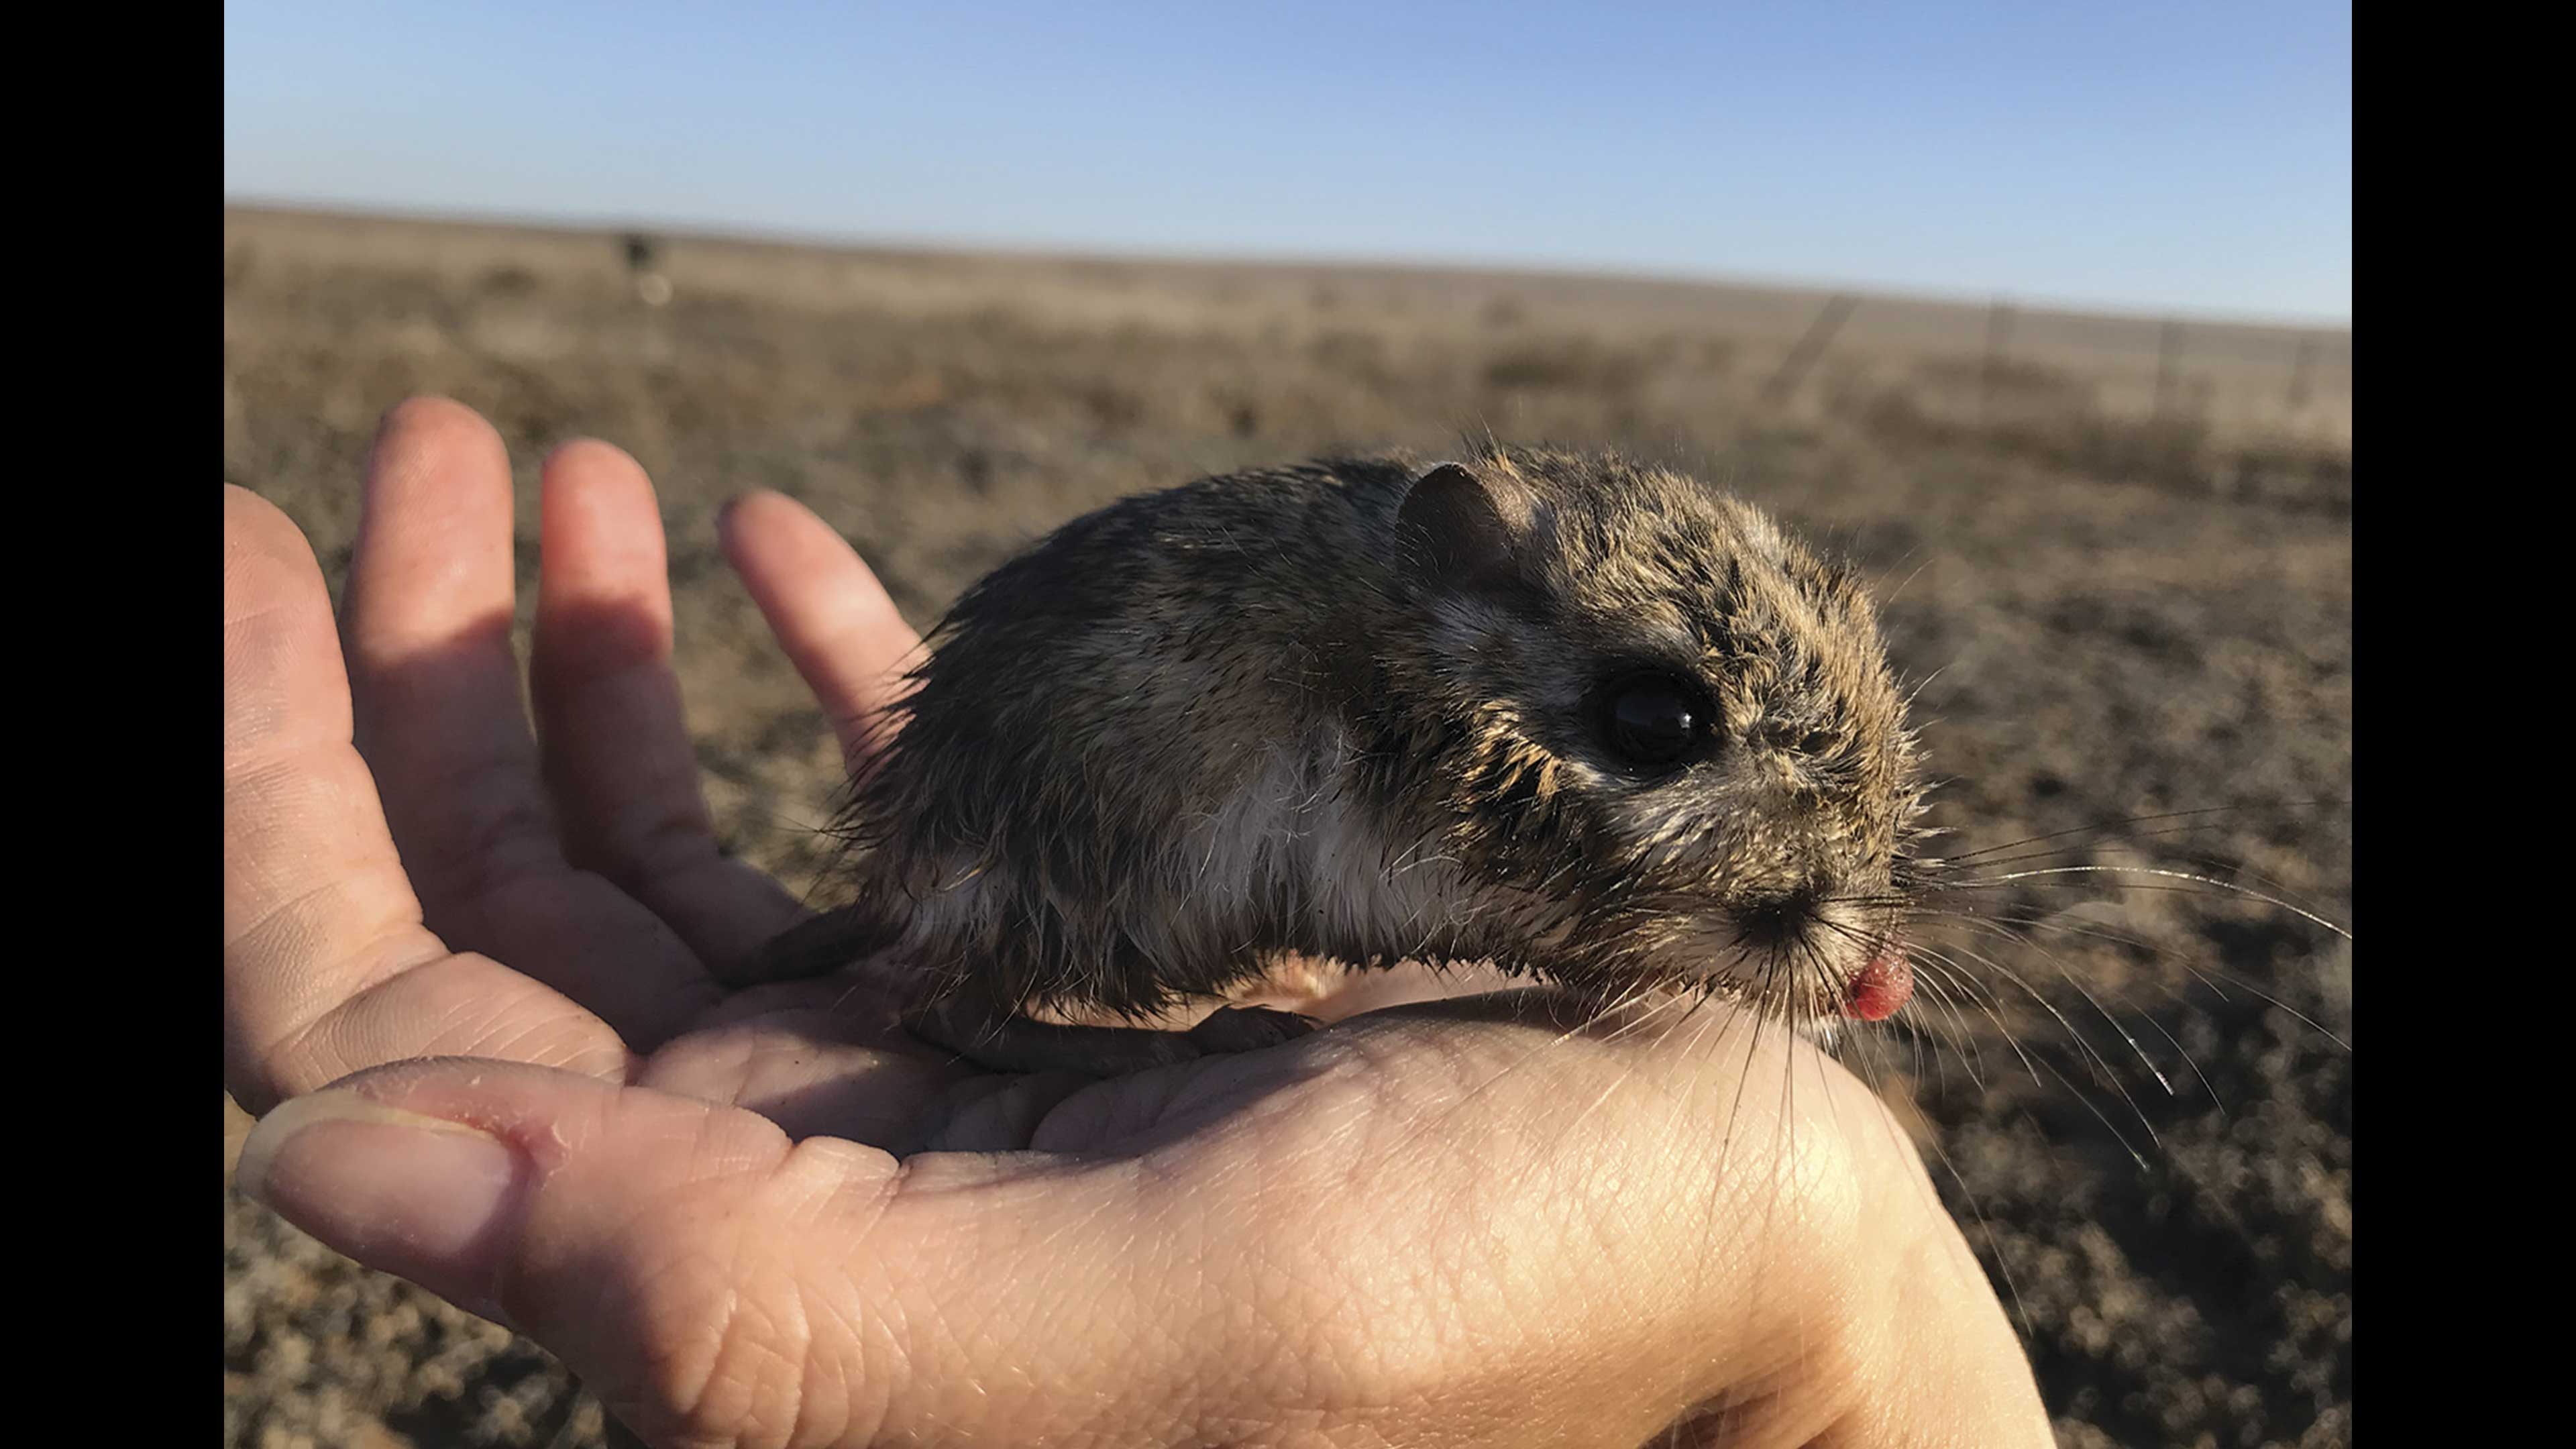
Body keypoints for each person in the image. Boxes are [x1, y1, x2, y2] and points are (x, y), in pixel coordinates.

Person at [223, 398, 2051, 1448]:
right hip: (1017, 856)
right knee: (1134, 880)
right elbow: (1507, 871)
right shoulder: (1427, 705)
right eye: (1655, 726)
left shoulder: (1472, 668)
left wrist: (1825, 1278)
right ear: (1468, 576)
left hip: (1054, 836)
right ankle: (1005, 999)